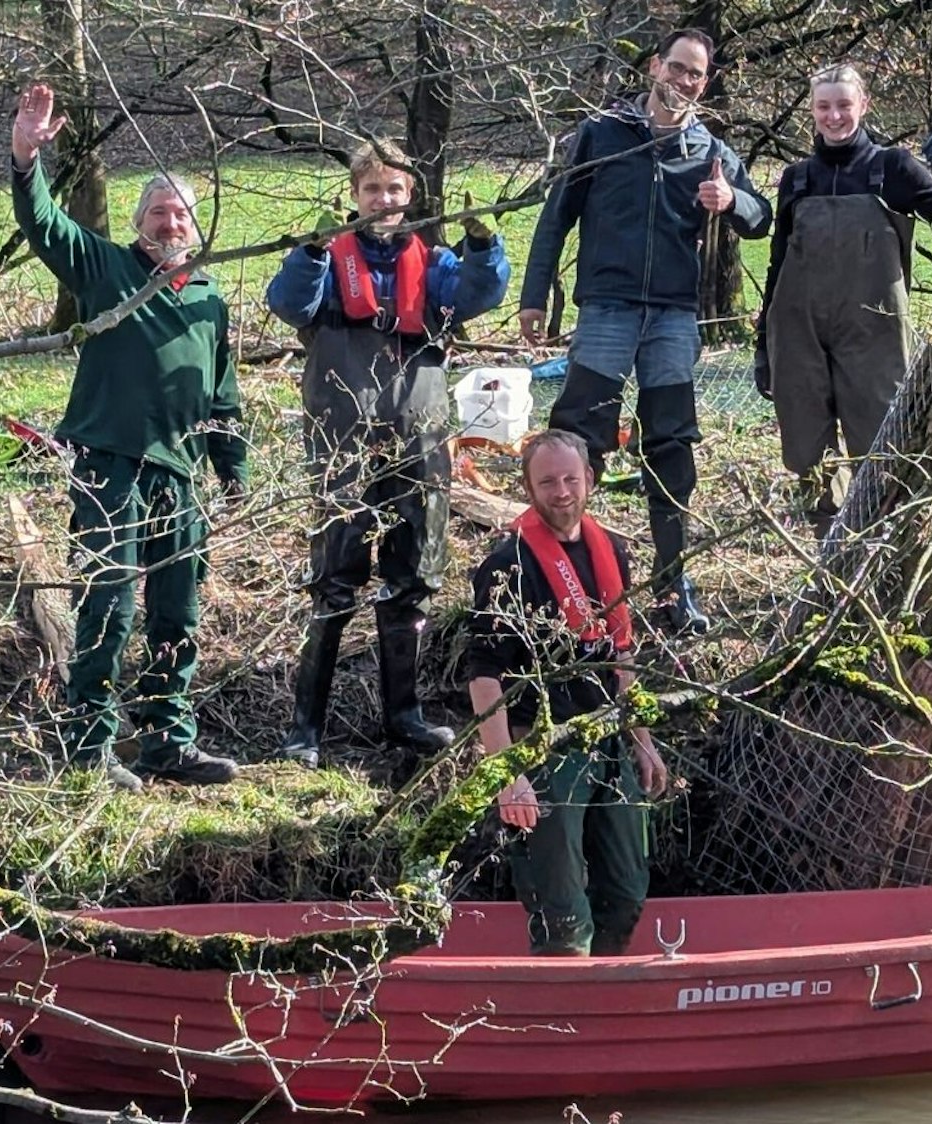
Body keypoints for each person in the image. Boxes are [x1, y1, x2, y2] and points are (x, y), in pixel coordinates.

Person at [9, 83, 247, 790]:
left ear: (195, 226)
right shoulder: (106, 268)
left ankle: (167, 740)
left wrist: (232, 468)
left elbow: (222, 393)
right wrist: (27, 156)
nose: (168, 222)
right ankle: (88, 746)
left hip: (178, 474)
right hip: (108, 464)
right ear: (139, 221)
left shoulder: (207, 298)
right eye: (156, 212)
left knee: (178, 610)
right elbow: (44, 222)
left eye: (179, 213)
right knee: (107, 606)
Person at [517, 28, 773, 637]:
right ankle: (549, 570)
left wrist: (731, 198)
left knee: (672, 447)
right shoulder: (602, 135)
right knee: (581, 439)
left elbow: (761, 218)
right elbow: (557, 217)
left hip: (673, 318)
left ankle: (671, 579)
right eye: (677, 67)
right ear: (655, 66)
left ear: (703, 84)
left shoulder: (709, 150)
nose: (683, 81)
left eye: (695, 75)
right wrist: (534, 297)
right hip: (606, 308)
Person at [266, 140, 511, 770]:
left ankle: (403, 716)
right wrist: (312, 251)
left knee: (415, 574)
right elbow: (289, 302)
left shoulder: (433, 263)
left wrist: (484, 246)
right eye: (372, 190)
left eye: (395, 191)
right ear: (356, 196)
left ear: (409, 197)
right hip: (343, 439)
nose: (384, 201)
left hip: (418, 432)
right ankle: (306, 726)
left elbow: (481, 293)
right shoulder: (325, 260)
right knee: (334, 579)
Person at [468, 429, 671, 956]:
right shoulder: (505, 566)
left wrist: (643, 741)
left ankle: (602, 1008)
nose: (561, 492)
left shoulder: (613, 550)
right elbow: (485, 676)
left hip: (606, 738)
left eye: (570, 479)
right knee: (563, 916)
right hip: (543, 747)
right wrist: (506, 774)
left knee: (626, 895)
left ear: (590, 480)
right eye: (547, 482)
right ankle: (560, 1013)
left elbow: (621, 653)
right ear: (528, 488)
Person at [754, 63, 932, 528]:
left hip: (874, 336)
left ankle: (882, 550)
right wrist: (764, 347)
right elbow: (777, 268)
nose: (834, 116)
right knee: (808, 454)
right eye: (823, 106)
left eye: (843, 105)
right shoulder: (796, 179)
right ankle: (827, 553)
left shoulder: (891, 168)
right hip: (799, 335)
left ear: (863, 105)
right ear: (812, 112)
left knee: (883, 449)